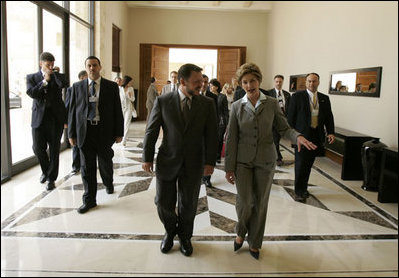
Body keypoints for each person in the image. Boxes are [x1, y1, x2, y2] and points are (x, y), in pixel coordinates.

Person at [225, 63, 316, 260]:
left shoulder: (272, 103)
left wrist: (297, 136)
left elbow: (284, 129)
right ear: (241, 84)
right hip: (242, 161)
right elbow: (231, 139)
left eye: (253, 81)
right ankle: (241, 231)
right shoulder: (236, 107)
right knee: (245, 202)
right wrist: (228, 167)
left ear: (259, 80)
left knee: (260, 203)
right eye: (245, 82)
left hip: (265, 161)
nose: (249, 85)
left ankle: (255, 242)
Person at [142, 63, 217, 257]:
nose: (201, 84)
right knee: (163, 203)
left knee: (189, 204)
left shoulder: (207, 104)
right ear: (182, 82)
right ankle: (170, 231)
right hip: (168, 159)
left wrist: (210, 162)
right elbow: (151, 130)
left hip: (194, 162)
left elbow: (212, 135)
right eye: (197, 81)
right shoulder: (163, 100)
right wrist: (147, 157)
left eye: (202, 81)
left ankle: (185, 237)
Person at [68, 56, 124, 214]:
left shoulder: (111, 86)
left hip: (104, 131)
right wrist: (71, 133)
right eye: (89, 66)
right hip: (85, 132)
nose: (92, 68)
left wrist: (119, 132)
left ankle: (108, 182)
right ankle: (89, 200)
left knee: (105, 161)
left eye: (94, 65)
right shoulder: (77, 87)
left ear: (100, 67)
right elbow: (72, 111)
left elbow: (117, 111)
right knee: (87, 167)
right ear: (86, 68)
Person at [287, 73, 335, 203]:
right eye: (309, 81)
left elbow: (329, 117)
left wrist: (331, 132)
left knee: (308, 164)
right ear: (306, 82)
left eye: (314, 81)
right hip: (301, 136)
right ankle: (298, 192)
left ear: (318, 82)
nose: (311, 84)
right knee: (300, 163)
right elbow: (290, 117)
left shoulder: (324, 98)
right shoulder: (297, 97)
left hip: (316, 135)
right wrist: (292, 135)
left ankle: (304, 188)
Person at [26, 52, 69, 190]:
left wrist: (55, 74)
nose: (50, 66)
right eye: (47, 64)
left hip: (55, 119)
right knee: (37, 148)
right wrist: (45, 81)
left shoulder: (58, 76)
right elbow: (32, 93)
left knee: (55, 149)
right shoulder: (32, 77)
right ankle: (46, 171)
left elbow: (64, 84)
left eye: (52, 64)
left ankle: (51, 178)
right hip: (39, 119)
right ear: (41, 64)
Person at [65, 70, 88, 175]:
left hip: (88, 122)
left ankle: (87, 165)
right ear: (82, 78)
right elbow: (69, 107)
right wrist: (67, 122)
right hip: (78, 122)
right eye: (86, 77)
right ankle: (75, 167)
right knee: (76, 146)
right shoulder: (72, 89)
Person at [266, 75, 291, 166]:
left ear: (282, 82)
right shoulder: (269, 93)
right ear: (274, 82)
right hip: (272, 121)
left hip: (283, 121)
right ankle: (278, 158)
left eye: (280, 82)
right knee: (275, 140)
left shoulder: (287, 94)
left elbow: (290, 108)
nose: (278, 83)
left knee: (277, 139)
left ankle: (274, 156)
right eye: (277, 81)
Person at [200, 74, 218, 188]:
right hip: (195, 131)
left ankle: (207, 178)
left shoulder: (213, 97)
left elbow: (215, 113)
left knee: (208, 153)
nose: (203, 84)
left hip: (208, 130)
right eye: (202, 82)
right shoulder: (192, 94)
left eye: (206, 82)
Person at [210, 78, 229, 164]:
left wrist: (227, 122)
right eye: (209, 85)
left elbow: (225, 110)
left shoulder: (222, 97)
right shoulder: (208, 95)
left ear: (216, 87)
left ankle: (218, 156)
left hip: (221, 121)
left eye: (212, 86)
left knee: (219, 138)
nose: (210, 87)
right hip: (210, 120)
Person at [119, 75, 136, 146]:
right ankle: (120, 137)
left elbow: (133, 99)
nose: (131, 83)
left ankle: (124, 140)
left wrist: (130, 96)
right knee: (121, 124)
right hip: (121, 108)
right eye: (130, 82)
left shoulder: (131, 89)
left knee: (127, 124)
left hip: (129, 108)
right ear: (127, 82)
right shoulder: (119, 88)